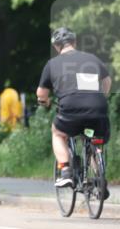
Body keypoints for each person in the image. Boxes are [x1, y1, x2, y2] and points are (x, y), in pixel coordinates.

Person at [36, 27, 112, 195]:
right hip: (98, 108)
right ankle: (100, 178)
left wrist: (44, 102)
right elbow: (106, 80)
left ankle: (65, 171)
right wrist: (101, 98)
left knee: (57, 133)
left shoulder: (52, 64)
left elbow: (41, 93)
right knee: (93, 139)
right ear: (74, 42)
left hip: (70, 109)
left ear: (56, 46)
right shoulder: (91, 59)